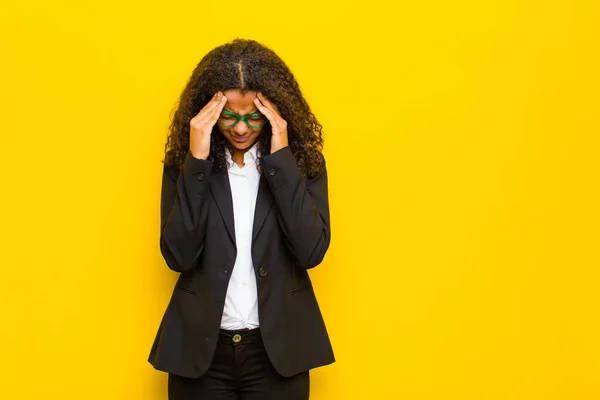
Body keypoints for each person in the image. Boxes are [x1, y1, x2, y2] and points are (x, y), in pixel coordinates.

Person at [147, 38, 335, 400]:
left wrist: (280, 161)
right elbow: (178, 256)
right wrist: (197, 163)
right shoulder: (185, 166)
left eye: (254, 117)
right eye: (228, 117)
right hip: (201, 356)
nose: (241, 129)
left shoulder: (302, 164)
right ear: (209, 114)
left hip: (278, 354)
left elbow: (311, 250)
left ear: (275, 113)